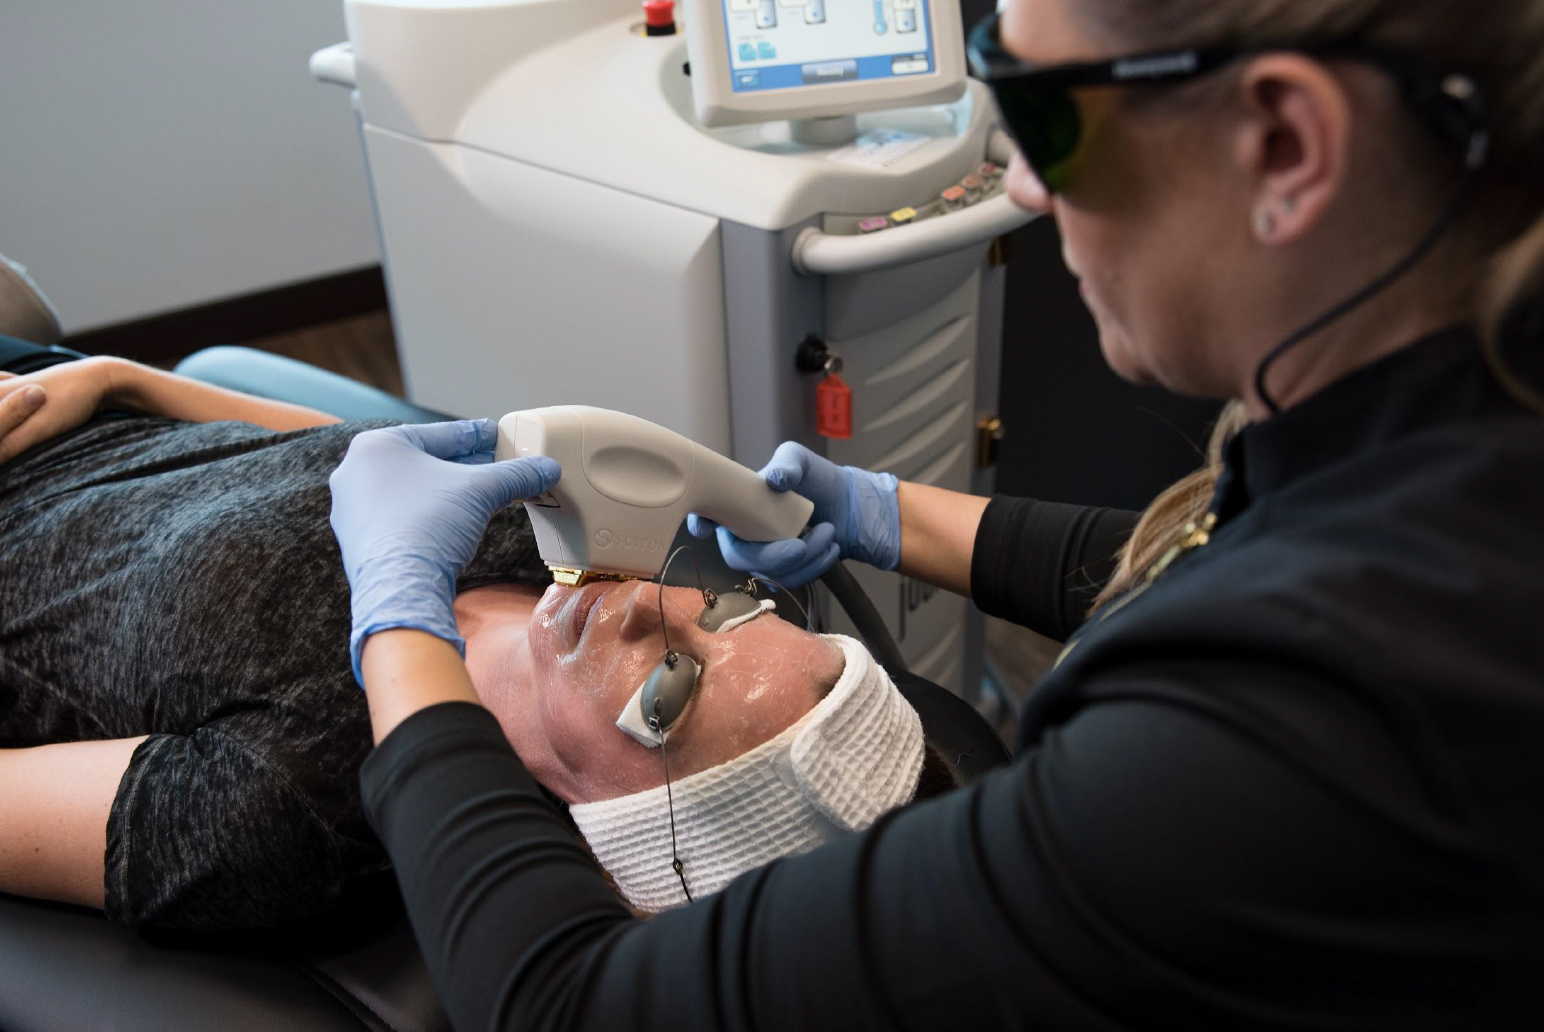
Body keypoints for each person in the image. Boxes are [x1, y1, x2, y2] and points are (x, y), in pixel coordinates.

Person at [318, 0, 1544, 1027]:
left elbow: (564, 1008)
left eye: (1042, 111)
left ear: (1282, 145)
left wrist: (396, 620)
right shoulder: (1435, 419)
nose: (1016, 177)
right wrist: (879, 514)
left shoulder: (1290, 742)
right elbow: (1198, 556)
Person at [0, 348, 933, 929]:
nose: (656, 609)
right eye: (730, 612)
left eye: (670, 692)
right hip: (60, 401)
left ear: (621, 847)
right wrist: (110, 379)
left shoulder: (295, 806)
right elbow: (353, 458)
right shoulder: (552, 540)